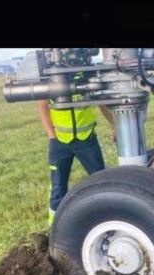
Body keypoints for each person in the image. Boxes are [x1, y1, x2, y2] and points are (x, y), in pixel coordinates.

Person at [38, 75, 114, 224]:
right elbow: (42, 106)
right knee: (58, 185)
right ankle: (54, 226)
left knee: (100, 179)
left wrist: (113, 125)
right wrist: (51, 135)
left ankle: (107, 218)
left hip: (86, 140)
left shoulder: (84, 75)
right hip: (59, 142)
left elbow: (101, 103)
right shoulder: (51, 76)